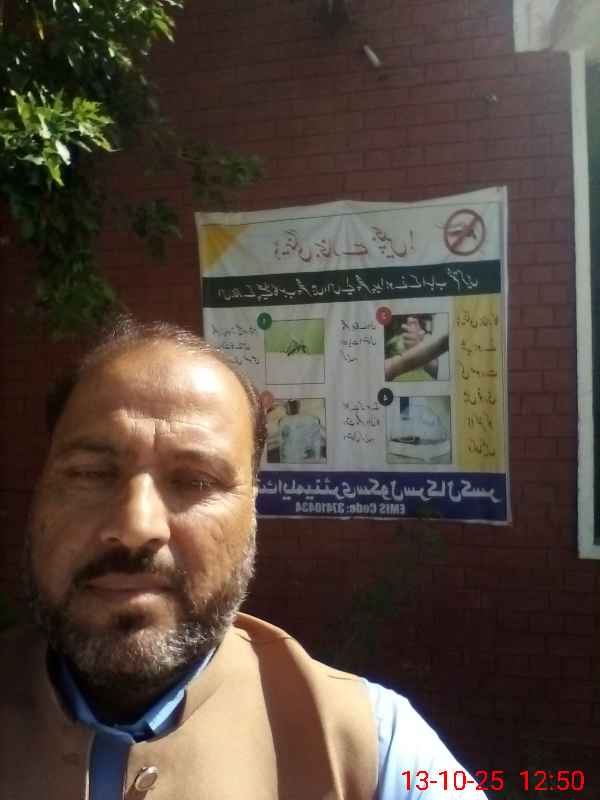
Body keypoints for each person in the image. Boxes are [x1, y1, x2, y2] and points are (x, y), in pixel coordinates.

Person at [0, 318, 487, 799]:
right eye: (89, 473)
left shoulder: (379, 750)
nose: (137, 526)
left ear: (252, 513)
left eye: (196, 481)